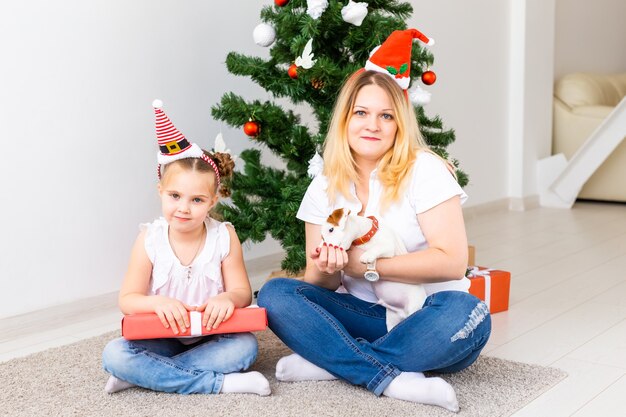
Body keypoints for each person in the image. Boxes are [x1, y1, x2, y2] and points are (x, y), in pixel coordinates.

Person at [257, 29, 491, 412]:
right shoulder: (323, 187)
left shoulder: (426, 171)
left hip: (427, 314)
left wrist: (366, 265)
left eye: (386, 116)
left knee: (471, 316)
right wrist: (325, 265)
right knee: (276, 295)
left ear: (399, 124)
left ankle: (336, 363)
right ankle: (388, 375)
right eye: (361, 113)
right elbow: (323, 283)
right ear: (345, 120)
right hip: (367, 316)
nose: (373, 126)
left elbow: (451, 261)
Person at [102, 100, 270, 396]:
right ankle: (221, 383)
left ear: (212, 201)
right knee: (114, 353)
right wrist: (158, 304)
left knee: (245, 348)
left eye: (197, 200)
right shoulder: (149, 239)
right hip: (161, 336)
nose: (183, 208)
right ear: (161, 192)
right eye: (175, 196)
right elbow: (128, 300)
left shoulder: (224, 237)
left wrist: (228, 298)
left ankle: (144, 375)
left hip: (213, 336)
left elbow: (243, 293)